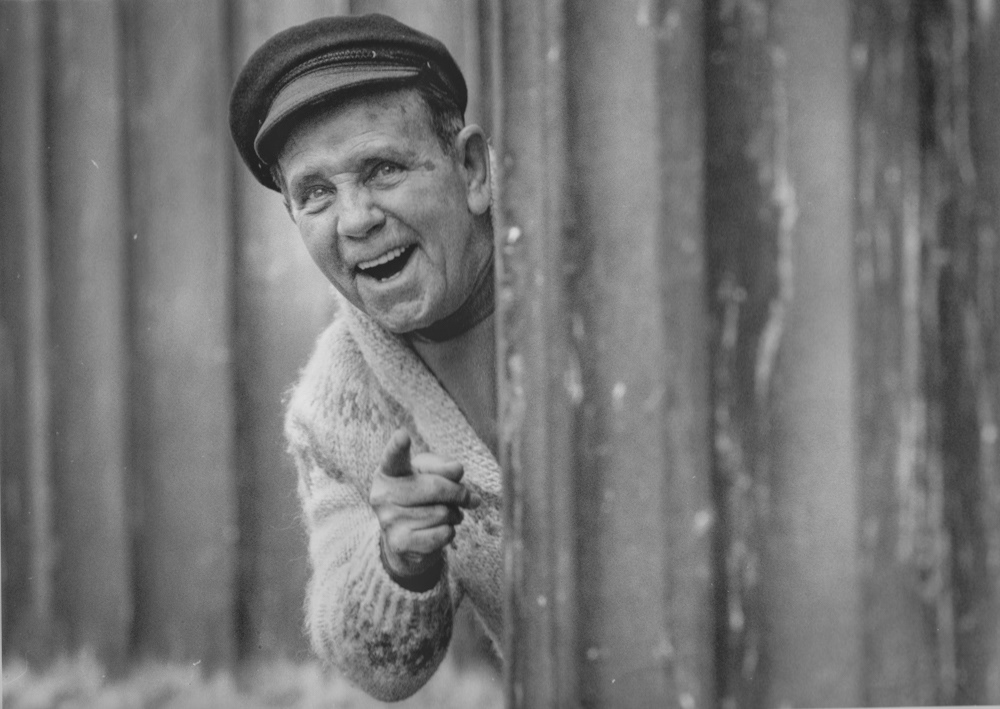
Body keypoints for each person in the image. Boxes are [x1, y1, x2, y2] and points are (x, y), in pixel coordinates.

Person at [229, 13, 502, 702]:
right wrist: (398, 558)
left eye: (382, 169)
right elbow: (376, 664)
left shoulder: (588, 276)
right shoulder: (335, 406)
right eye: (315, 193)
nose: (354, 220)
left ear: (471, 169)